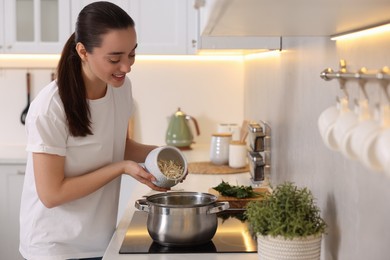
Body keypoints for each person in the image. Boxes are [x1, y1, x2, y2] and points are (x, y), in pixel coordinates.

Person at [19, 2, 167, 259]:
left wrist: (162, 154)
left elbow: (119, 145)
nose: (126, 67)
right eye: (114, 58)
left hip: (100, 239)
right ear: (83, 51)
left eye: (132, 54)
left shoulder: (121, 90)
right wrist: (121, 167)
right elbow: (52, 194)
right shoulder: (51, 107)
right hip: (55, 246)